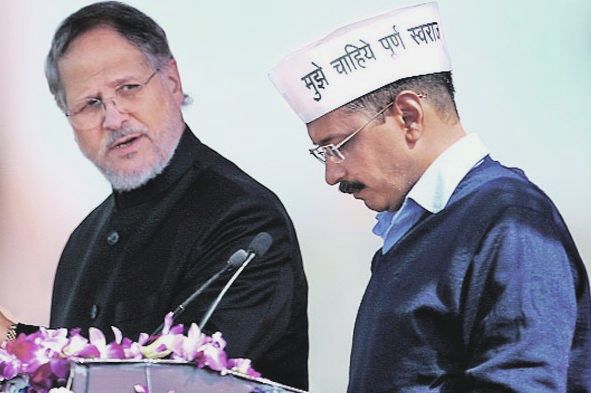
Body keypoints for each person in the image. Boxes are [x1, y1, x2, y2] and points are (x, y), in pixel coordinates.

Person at [269, 2, 590, 392]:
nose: (332, 173)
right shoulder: (417, 231)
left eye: (339, 145)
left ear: (408, 116)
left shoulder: (509, 223)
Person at [0, 1, 308, 388]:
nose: (114, 118)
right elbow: (73, 377)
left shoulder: (245, 220)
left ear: (172, 80)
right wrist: (10, 339)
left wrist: (15, 341)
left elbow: (184, 381)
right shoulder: (83, 241)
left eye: (127, 89)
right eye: (89, 104)